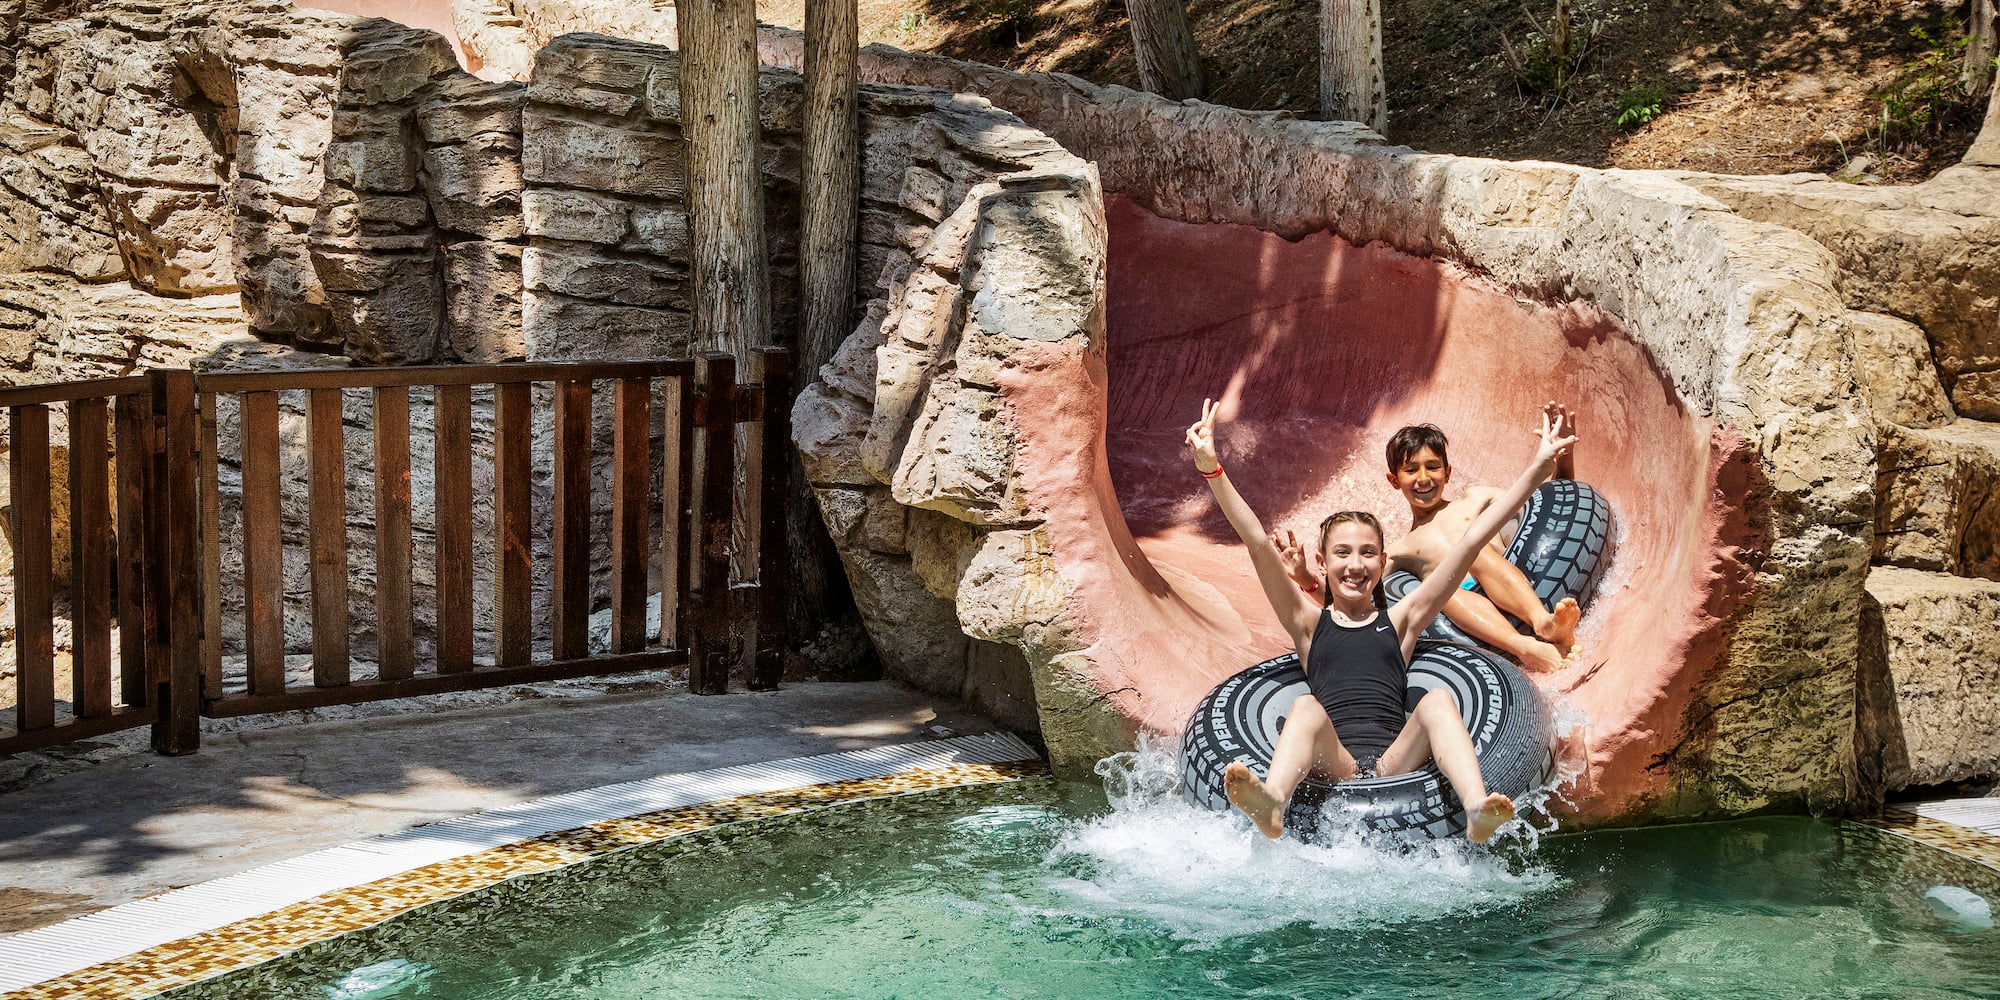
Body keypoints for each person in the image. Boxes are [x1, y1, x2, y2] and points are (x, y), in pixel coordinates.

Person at [1184, 398, 1576, 843]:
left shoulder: (1403, 620)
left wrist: (1539, 466)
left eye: (1368, 553)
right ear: (1323, 562)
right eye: (1343, 554)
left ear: (1384, 561)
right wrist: (1212, 469)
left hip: (1394, 761)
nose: (1356, 565)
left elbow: (1471, 542)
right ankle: (1273, 802)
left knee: (1437, 702)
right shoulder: (1307, 623)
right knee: (1307, 707)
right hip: (1336, 761)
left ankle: (1475, 809)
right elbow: (1256, 541)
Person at [1273, 414, 1583, 672]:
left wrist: (1563, 456)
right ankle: (1523, 647)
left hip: (1510, 579)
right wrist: (1305, 578)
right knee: (1440, 580)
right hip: (1462, 606)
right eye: (1411, 470)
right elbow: (1350, 597)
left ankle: (1544, 623)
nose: (1424, 478)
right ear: (1394, 480)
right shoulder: (1400, 550)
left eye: (1433, 467)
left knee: (1474, 551)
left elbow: (1555, 510)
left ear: (1447, 472)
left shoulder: (1476, 498)